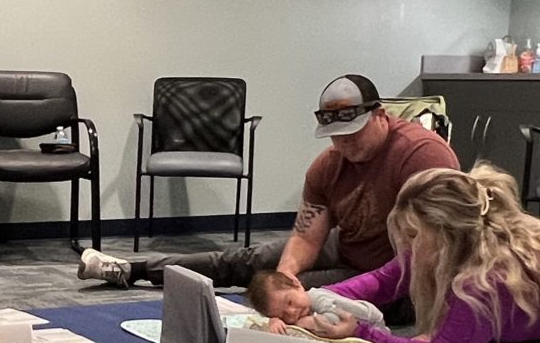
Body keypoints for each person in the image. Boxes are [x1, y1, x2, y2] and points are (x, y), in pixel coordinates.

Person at [77, 74, 459, 291]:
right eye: (337, 137)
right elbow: (307, 237)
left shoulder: (422, 156)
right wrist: (286, 274)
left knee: (307, 294)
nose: (345, 144)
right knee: (252, 263)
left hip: (404, 276)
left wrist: (301, 288)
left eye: (354, 133)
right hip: (347, 247)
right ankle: (134, 269)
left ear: (381, 116)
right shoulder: (328, 166)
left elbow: (435, 250)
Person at [314, 164, 540, 343]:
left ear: (446, 235)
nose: (407, 245)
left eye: (414, 235)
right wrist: (315, 297)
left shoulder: (485, 281)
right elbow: (382, 281)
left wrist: (361, 333)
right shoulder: (447, 248)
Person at [245, 269, 388, 335]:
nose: (292, 312)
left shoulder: (316, 297)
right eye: (283, 315)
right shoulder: (295, 310)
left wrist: (306, 322)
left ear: (297, 285)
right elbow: (262, 320)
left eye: (290, 302)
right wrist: (274, 321)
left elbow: (336, 318)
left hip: (371, 320)